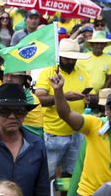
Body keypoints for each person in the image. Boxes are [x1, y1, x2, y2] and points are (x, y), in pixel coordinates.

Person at [35, 39, 90, 180]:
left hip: (77, 132)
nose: (70, 61)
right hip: (55, 132)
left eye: (73, 58)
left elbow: (90, 95)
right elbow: (39, 100)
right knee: (47, 173)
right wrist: (64, 96)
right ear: (59, 57)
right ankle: (47, 195)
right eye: (66, 58)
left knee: (73, 173)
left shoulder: (83, 73)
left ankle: (66, 195)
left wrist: (89, 99)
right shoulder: (48, 72)